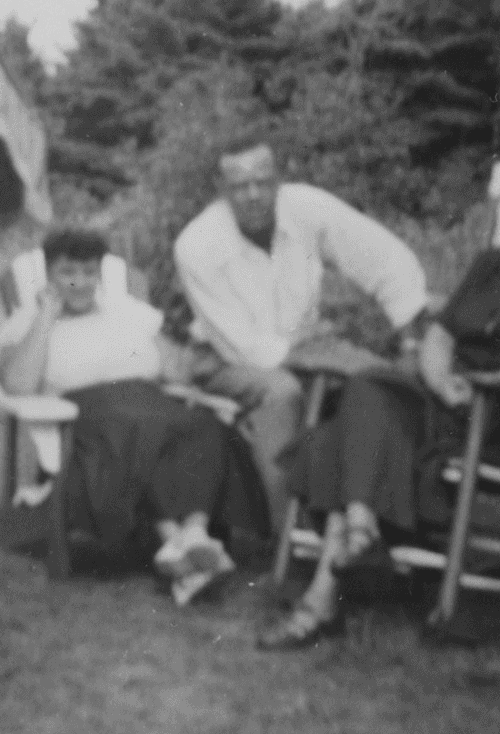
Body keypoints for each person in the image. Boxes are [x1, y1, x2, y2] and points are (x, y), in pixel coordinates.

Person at [259, 151, 500, 651]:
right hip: (443, 401)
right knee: (369, 386)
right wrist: (440, 379)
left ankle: (324, 593)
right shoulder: (495, 264)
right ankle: (359, 524)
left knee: (349, 420)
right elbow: (441, 336)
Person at [0, 227, 265, 605]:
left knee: (205, 427)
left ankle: (190, 536)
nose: (80, 282)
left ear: (101, 274)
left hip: (151, 405)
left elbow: (177, 375)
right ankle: (178, 541)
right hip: (91, 417)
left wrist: (174, 339)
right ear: (49, 275)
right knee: (137, 429)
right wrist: (45, 319)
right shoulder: (28, 321)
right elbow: (19, 384)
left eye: (89, 272)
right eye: (67, 272)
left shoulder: (130, 313)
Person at [175, 132, 430, 514]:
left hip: (307, 345)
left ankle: (380, 518)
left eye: (263, 182)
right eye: (240, 186)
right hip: (224, 360)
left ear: (279, 177)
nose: (255, 195)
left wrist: (410, 344)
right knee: (282, 392)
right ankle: (290, 532)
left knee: (386, 384)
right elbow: (246, 348)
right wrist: (322, 355)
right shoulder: (196, 244)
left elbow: (387, 260)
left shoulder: (306, 206)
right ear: (219, 188)